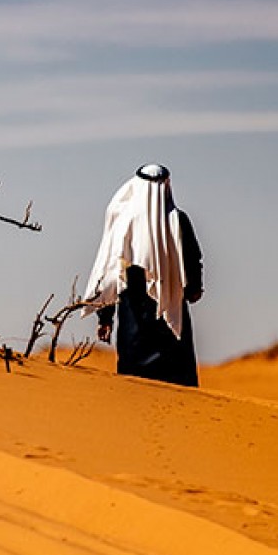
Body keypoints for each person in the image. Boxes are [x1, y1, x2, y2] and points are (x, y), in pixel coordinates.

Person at [84, 163, 203, 387]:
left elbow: (110, 272)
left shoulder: (124, 221)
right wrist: (194, 288)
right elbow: (193, 260)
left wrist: (105, 316)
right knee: (171, 377)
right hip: (169, 308)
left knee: (136, 376)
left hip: (134, 316)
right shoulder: (177, 220)